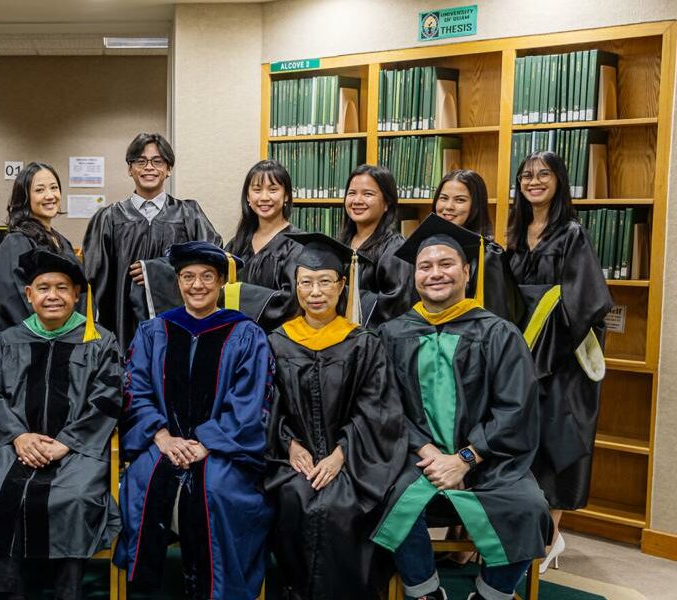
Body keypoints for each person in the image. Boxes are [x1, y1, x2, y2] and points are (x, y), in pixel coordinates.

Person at [371, 217, 551, 600]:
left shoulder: (499, 334)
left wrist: (465, 458)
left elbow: (516, 409)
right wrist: (430, 453)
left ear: (466, 272)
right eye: (425, 266)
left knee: (530, 507)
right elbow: (385, 406)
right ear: (415, 276)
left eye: (446, 264)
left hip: (489, 460)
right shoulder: (392, 334)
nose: (435, 273)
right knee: (385, 494)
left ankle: (491, 594)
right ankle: (425, 591)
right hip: (416, 459)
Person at [114, 241, 272, 600]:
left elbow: (250, 402)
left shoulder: (246, 334)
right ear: (178, 282)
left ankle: (218, 590)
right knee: (143, 481)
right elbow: (135, 389)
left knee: (216, 489)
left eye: (206, 277)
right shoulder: (154, 331)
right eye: (188, 277)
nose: (197, 285)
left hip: (222, 448)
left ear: (221, 282)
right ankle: (147, 590)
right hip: (163, 442)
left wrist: (206, 444)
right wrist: (162, 437)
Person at [0, 248, 121, 600]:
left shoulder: (100, 340)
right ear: (29, 295)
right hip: (18, 446)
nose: (52, 296)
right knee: (0, 493)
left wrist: (67, 442)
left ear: (76, 295)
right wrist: (18, 437)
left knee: (75, 496)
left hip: (78, 449)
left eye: (62, 288)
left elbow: (108, 398)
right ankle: (6, 593)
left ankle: (67, 590)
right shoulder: (7, 340)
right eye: (43, 288)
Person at [265, 233, 404, 600]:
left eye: (325, 281)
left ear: (342, 285)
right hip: (291, 460)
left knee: (342, 503)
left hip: (355, 459)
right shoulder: (277, 342)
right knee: (294, 495)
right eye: (306, 282)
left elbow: (377, 409)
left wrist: (341, 454)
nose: (315, 292)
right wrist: (289, 445)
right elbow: (266, 405)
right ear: (295, 286)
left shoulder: (363, 342)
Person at [505, 151, 613, 571]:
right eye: (526, 175)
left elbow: (587, 301)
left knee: (555, 442)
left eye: (543, 174)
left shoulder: (571, 234)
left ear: (559, 181)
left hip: (561, 359)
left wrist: (546, 343)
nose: (534, 181)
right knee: (522, 442)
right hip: (522, 354)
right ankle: (517, 533)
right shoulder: (516, 235)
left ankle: (548, 537)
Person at [82, 133, 220, 351]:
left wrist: (156, 269)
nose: (149, 167)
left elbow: (211, 258)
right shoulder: (109, 218)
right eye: (140, 161)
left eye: (157, 161)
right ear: (130, 169)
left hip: (179, 323)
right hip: (122, 326)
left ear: (169, 168)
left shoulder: (188, 214)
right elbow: (94, 279)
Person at [0, 162, 78, 331]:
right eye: (39, 190)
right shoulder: (16, 243)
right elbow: (14, 303)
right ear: (24, 197)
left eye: (54, 188)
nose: (50, 196)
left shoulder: (62, 241)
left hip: (67, 335)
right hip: (33, 340)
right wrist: (52, 333)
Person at [431, 169, 523, 325]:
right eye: (443, 198)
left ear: (476, 206)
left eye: (460, 200)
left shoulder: (488, 254)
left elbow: (498, 318)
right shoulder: (428, 248)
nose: (448, 206)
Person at [224, 159, 303, 323]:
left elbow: (291, 302)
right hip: (234, 332)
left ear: (286, 195)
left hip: (275, 335)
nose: (264, 197)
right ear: (248, 197)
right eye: (257, 190)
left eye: (273, 190)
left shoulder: (297, 245)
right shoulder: (237, 244)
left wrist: (239, 295)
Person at [338, 164, 415, 327]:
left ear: (387, 203)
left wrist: (342, 297)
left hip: (374, 338)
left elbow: (396, 306)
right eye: (352, 193)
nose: (357, 200)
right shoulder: (341, 243)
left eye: (368, 194)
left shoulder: (395, 248)